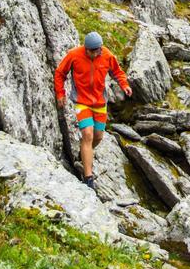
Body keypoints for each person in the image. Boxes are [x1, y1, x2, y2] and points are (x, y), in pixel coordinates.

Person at [54, 31, 132, 189]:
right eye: (93, 51)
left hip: (100, 103)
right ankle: (88, 178)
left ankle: (83, 153)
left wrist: (124, 85)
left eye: (98, 50)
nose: (96, 54)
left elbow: (117, 72)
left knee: (97, 137)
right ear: (86, 49)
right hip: (82, 102)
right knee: (88, 135)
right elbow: (60, 73)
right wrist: (60, 93)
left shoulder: (107, 55)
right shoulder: (74, 55)